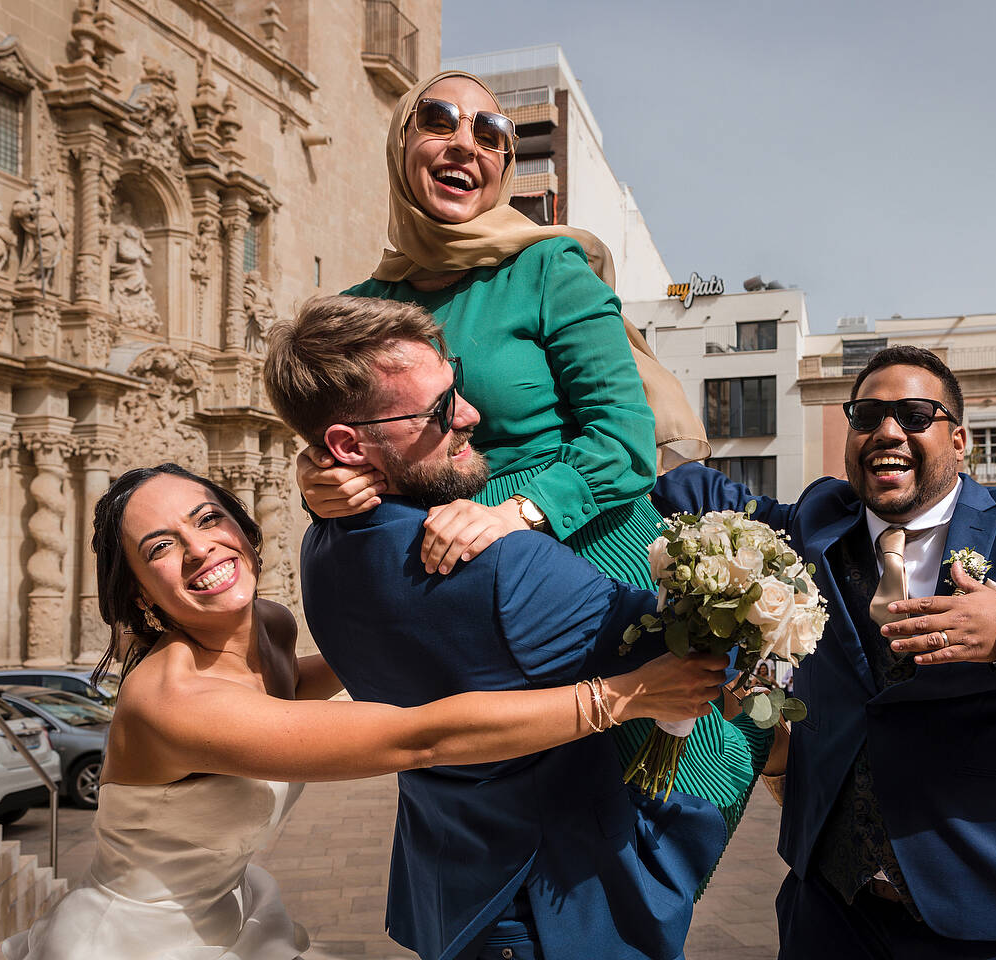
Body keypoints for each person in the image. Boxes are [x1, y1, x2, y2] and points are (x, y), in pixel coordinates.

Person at [295, 70, 764, 858]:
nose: (466, 144)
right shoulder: (360, 304)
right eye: (438, 119)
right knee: (498, 833)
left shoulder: (549, 269)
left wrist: (516, 514)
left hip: (581, 555)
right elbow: (348, 439)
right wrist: (320, 483)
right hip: (448, 588)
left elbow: (622, 439)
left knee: (635, 835)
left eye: (492, 134)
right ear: (400, 141)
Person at [2, 462, 725, 960]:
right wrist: (624, 696)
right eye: (162, 548)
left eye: (209, 519)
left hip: (231, 913)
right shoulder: (173, 701)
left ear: (244, 528)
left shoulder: (272, 627)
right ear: (138, 598)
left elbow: (365, 662)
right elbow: (416, 739)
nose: (201, 550)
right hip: (137, 939)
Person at [264, 294, 781, 960]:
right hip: (558, 913)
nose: (473, 415)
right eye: (440, 410)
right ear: (347, 444)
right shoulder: (505, 567)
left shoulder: (322, 551)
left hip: (452, 896)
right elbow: (710, 648)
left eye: (460, 389)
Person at [653, 345, 996, 960]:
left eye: (916, 414)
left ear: (962, 439)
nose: (888, 430)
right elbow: (693, 492)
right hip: (831, 918)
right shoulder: (817, 521)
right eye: (867, 415)